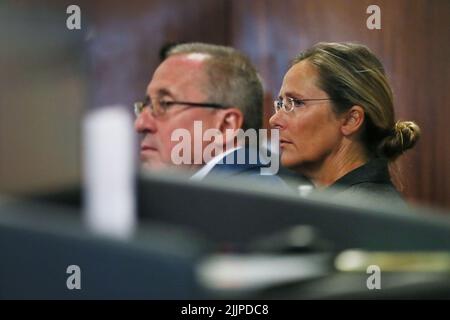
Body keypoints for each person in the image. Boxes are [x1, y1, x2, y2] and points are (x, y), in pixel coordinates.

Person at [269, 42, 421, 202]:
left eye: (296, 103)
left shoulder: (363, 216)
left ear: (351, 120)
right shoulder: (337, 206)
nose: (274, 120)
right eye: (280, 104)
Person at [134, 42, 283, 183]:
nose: (140, 124)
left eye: (165, 104)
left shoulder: (247, 201)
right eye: (145, 106)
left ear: (225, 127)